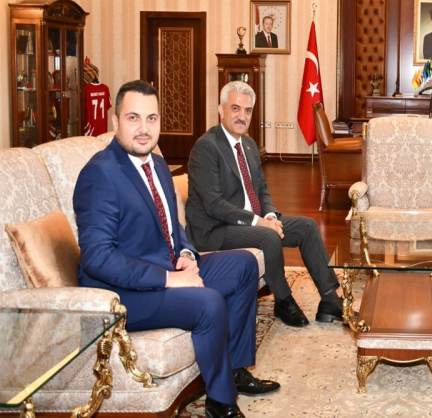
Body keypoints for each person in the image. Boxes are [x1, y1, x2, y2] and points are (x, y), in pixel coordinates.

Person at [74, 80, 279, 418]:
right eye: (133, 118)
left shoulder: (157, 164)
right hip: (120, 294)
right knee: (208, 303)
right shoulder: (100, 174)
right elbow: (98, 257)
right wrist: (169, 279)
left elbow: (173, 227)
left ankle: (235, 369)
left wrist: (185, 255)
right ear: (115, 121)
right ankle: (221, 402)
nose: (144, 129)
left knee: (244, 265)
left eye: (151, 118)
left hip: (167, 267)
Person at [185, 81, 342, 328]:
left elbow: (261, 190)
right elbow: (214, 205)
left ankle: (330, 298)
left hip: (249, 220)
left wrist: (269, 215)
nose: (242, 116)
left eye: (247, 110)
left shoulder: (248, 145)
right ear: (221, 110)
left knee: (307, 227)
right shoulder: (207, 147)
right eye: (235, 108)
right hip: (215, 229)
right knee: (268, 237)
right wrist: (259, 223)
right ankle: (283, 300)